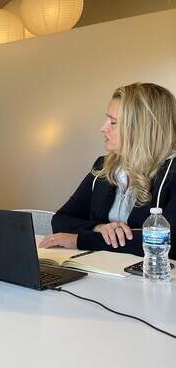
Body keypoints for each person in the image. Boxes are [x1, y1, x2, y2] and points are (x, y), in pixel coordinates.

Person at [40, 82, 176, 258]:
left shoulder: (172, 172)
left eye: (113, 122)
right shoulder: (103, 167)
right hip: (102, 272)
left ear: (143, 129)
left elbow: (168, 242)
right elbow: (61, 220)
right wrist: (100, 228)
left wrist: (81, 240)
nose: (102, 128)